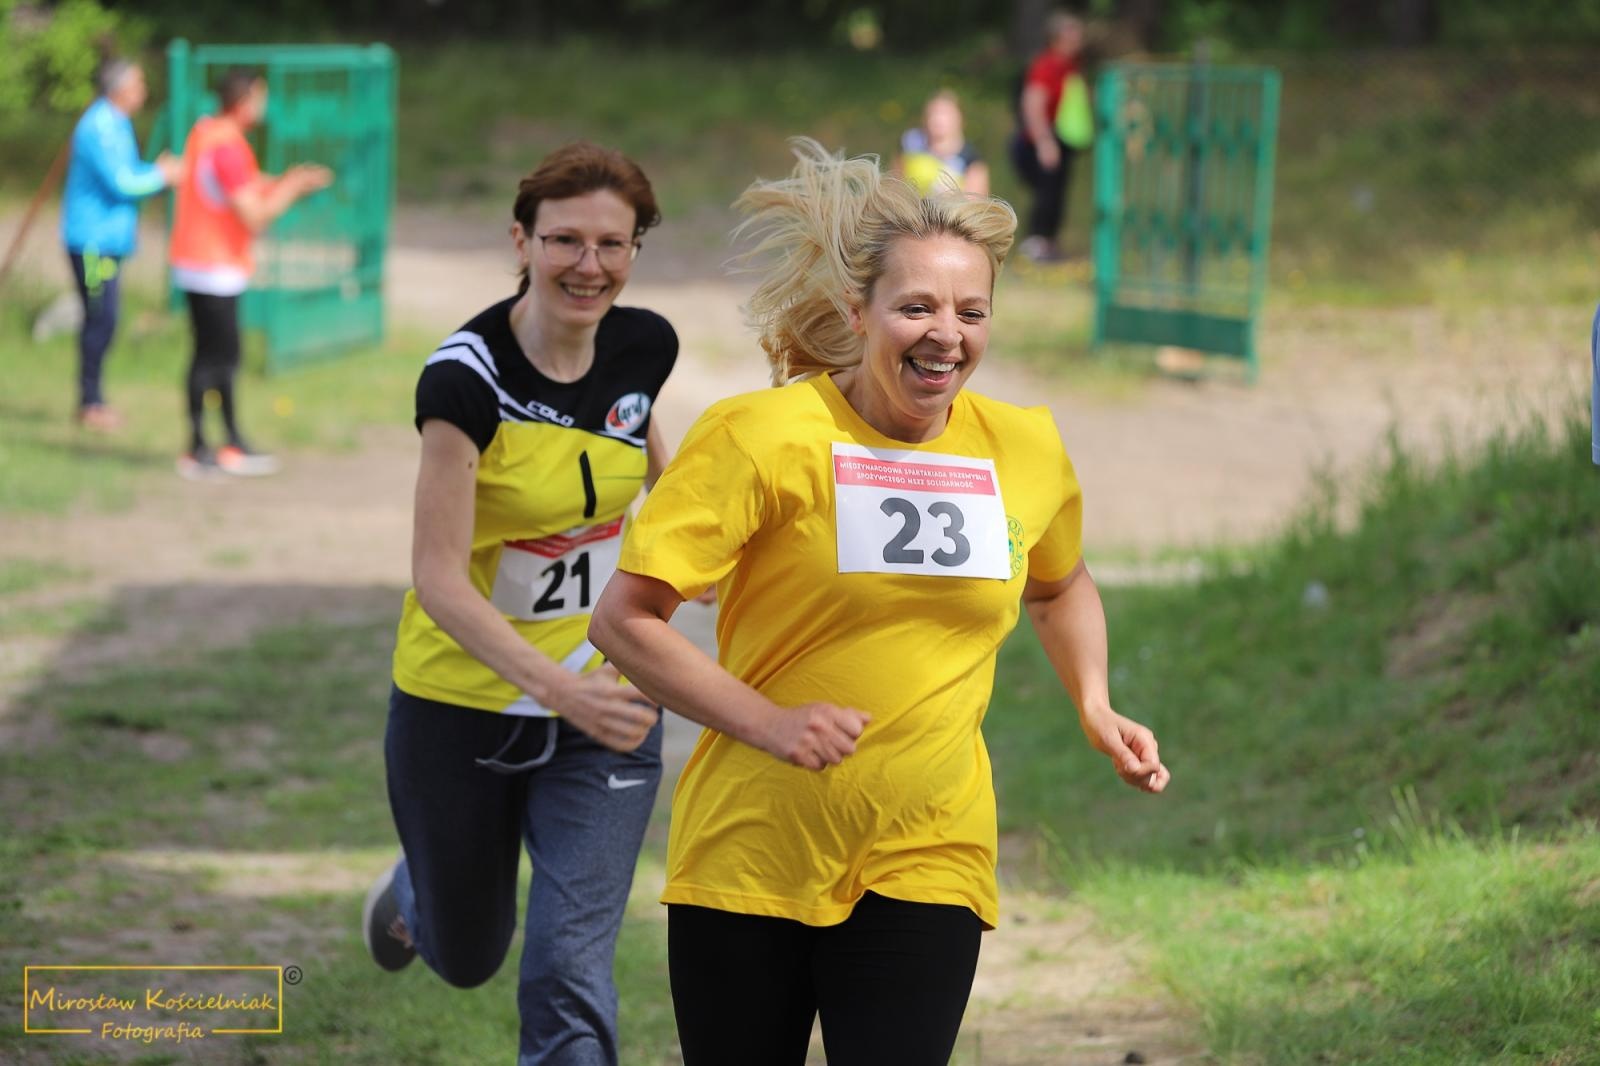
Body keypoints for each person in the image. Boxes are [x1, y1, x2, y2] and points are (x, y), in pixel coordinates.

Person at [588, 139, 1170, 1066]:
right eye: (917, 307)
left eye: (972, 311)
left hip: (928, 848)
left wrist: (1095, 704)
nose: (947, 333)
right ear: (856, 314)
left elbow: (1061, 586)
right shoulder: (761, 437)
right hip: (751, 853)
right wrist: (772, 724)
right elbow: (622, 621)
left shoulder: (1023, 448)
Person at [361, 142, 680, 1066]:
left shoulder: (643, 344)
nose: (590, 266)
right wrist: (557, 687)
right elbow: (439, 578)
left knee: (567, 964)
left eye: (612, 245)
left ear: (634, 250)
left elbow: (666, 482)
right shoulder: (465, 382)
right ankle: (419, 894)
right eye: (566, 241)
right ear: (522, 239)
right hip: (459, 704)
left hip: (607, 704)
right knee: (467, 955)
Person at [168, 67, 332, 479]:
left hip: (200, 262)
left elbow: (240, 185)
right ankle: (200, 448)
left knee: (218, 357)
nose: (265, 105)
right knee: (214, 360)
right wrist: (290, 189)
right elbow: (255, 216)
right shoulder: (227, 146)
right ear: (247, 101)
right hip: (212, 266)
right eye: (262, 97)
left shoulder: (208, 132)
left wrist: (287, 179)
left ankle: (227, 442)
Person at [60, 57, 182, 432]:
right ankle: (90, 402)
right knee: (102, 317)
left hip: (107, 241)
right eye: (139, 83)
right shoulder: (100, 127)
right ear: (120, 88)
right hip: (92, 243)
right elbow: (123, 182)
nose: (143, 92)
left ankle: (93, 398)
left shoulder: (116, 122)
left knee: (105, 317)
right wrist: (162, 174)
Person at [1009, 10, 1088, 262]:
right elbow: (1033, 102)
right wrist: (1044, 141)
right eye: (1072, 36)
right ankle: (1036, 245)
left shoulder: (1069, 66)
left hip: (1060, 140)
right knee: (1046, 194)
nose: (1078, 41)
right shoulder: (1047, 65)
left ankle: (1049, 246)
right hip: (1041, 141)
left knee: (1056, 194)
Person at [893, 90, 990, 197]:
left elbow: (975, 203)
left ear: (960, 118)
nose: (937, 119)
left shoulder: (971, 159)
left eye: (945, 113)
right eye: (932, 113)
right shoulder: (910, 144)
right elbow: (894, 185)